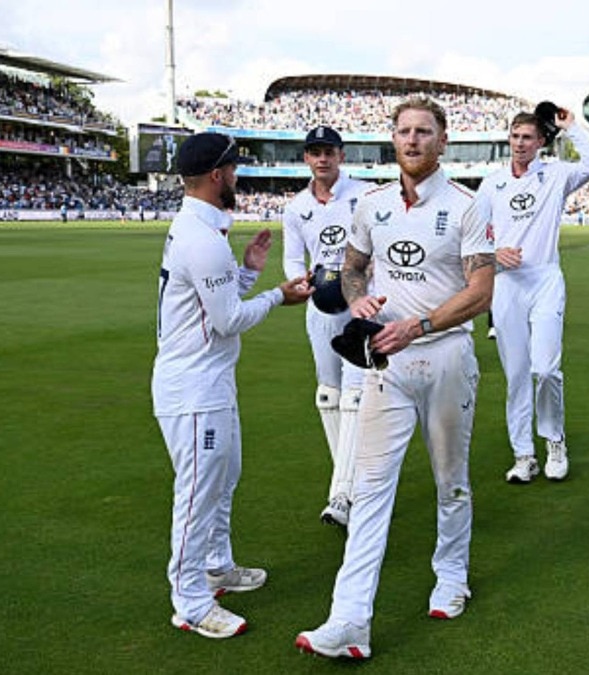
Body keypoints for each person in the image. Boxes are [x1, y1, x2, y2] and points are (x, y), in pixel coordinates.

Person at [295, 97, 495, 660]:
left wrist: (420, 325)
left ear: (443, 140)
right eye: (404, 131)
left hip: (446, 356)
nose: (412, 140)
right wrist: (358, 301)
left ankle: (451, 575)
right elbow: (352, 268)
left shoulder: (467, 206)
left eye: (424, 132)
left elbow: (482, 291)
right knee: (369, 488)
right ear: (393, 139)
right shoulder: (372, 204)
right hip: (386, 361)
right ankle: (349, 619)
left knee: (450, 479)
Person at [153, 132, 313, 639]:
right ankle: (190, 601)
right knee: (198, 493)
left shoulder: (200, 230)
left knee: (224, 478)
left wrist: (246, 272)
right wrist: (278, 295)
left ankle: (217, 567)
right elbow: (228, 321)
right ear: (218, 175)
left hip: (208, 382)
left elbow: (210, 308)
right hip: (194, 389)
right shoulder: (202, 240)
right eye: (235, 170)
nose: (238, 178)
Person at [476, 103, 589, 483]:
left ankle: (554, 440)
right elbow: (472, 238)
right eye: (515, 136)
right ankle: (524, 455)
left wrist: (572, 127)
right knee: (517, 375)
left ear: (540, 142)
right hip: (506, 285)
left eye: (527, 137)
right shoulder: (491, 184)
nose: (519, 143)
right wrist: (494, 254)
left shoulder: (556, 174)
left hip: (545, 280)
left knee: (545, 369)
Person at [282, 125, 374, 528]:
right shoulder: (296, 207)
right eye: (315, 152)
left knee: (354, 395)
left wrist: (366, 274)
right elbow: (292, 257)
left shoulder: (364, 195)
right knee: (328, 395)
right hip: (320, 303)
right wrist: (300, 281)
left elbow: (380, 241)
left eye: (329, 152)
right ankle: (349, 485)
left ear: (341, 155)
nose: (322, 159)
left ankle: (341, 494)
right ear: (306, 157)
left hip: (359, 300)